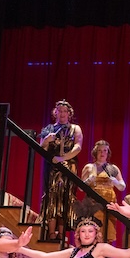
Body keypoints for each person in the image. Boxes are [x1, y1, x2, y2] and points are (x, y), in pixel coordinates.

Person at [38, 100, 83, 243]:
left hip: (68, 166)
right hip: (52, 168)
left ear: (69, 114)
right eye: (59, 111)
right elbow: (41, 149)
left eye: (65, 111)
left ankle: (62, 233)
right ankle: (51, 233)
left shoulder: (75, 128)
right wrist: (46, 140)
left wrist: (63, 157)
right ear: (55, 112)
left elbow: (78, 146)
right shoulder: (49, 128)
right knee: (52, 197)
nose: (62, 114)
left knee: (66, 197)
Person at [80, 140, 125, 243]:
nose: (102, 153)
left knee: (107, 232)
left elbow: (122, 187)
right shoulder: (89, 167)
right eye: (100, 150)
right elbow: (80, 188)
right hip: (93, 204)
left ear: (108, 152)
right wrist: (88, 180)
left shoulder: (113, 168)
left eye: (105, 150)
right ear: (96, 152)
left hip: (109, 204)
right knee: (94, 231)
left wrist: (115, 181)